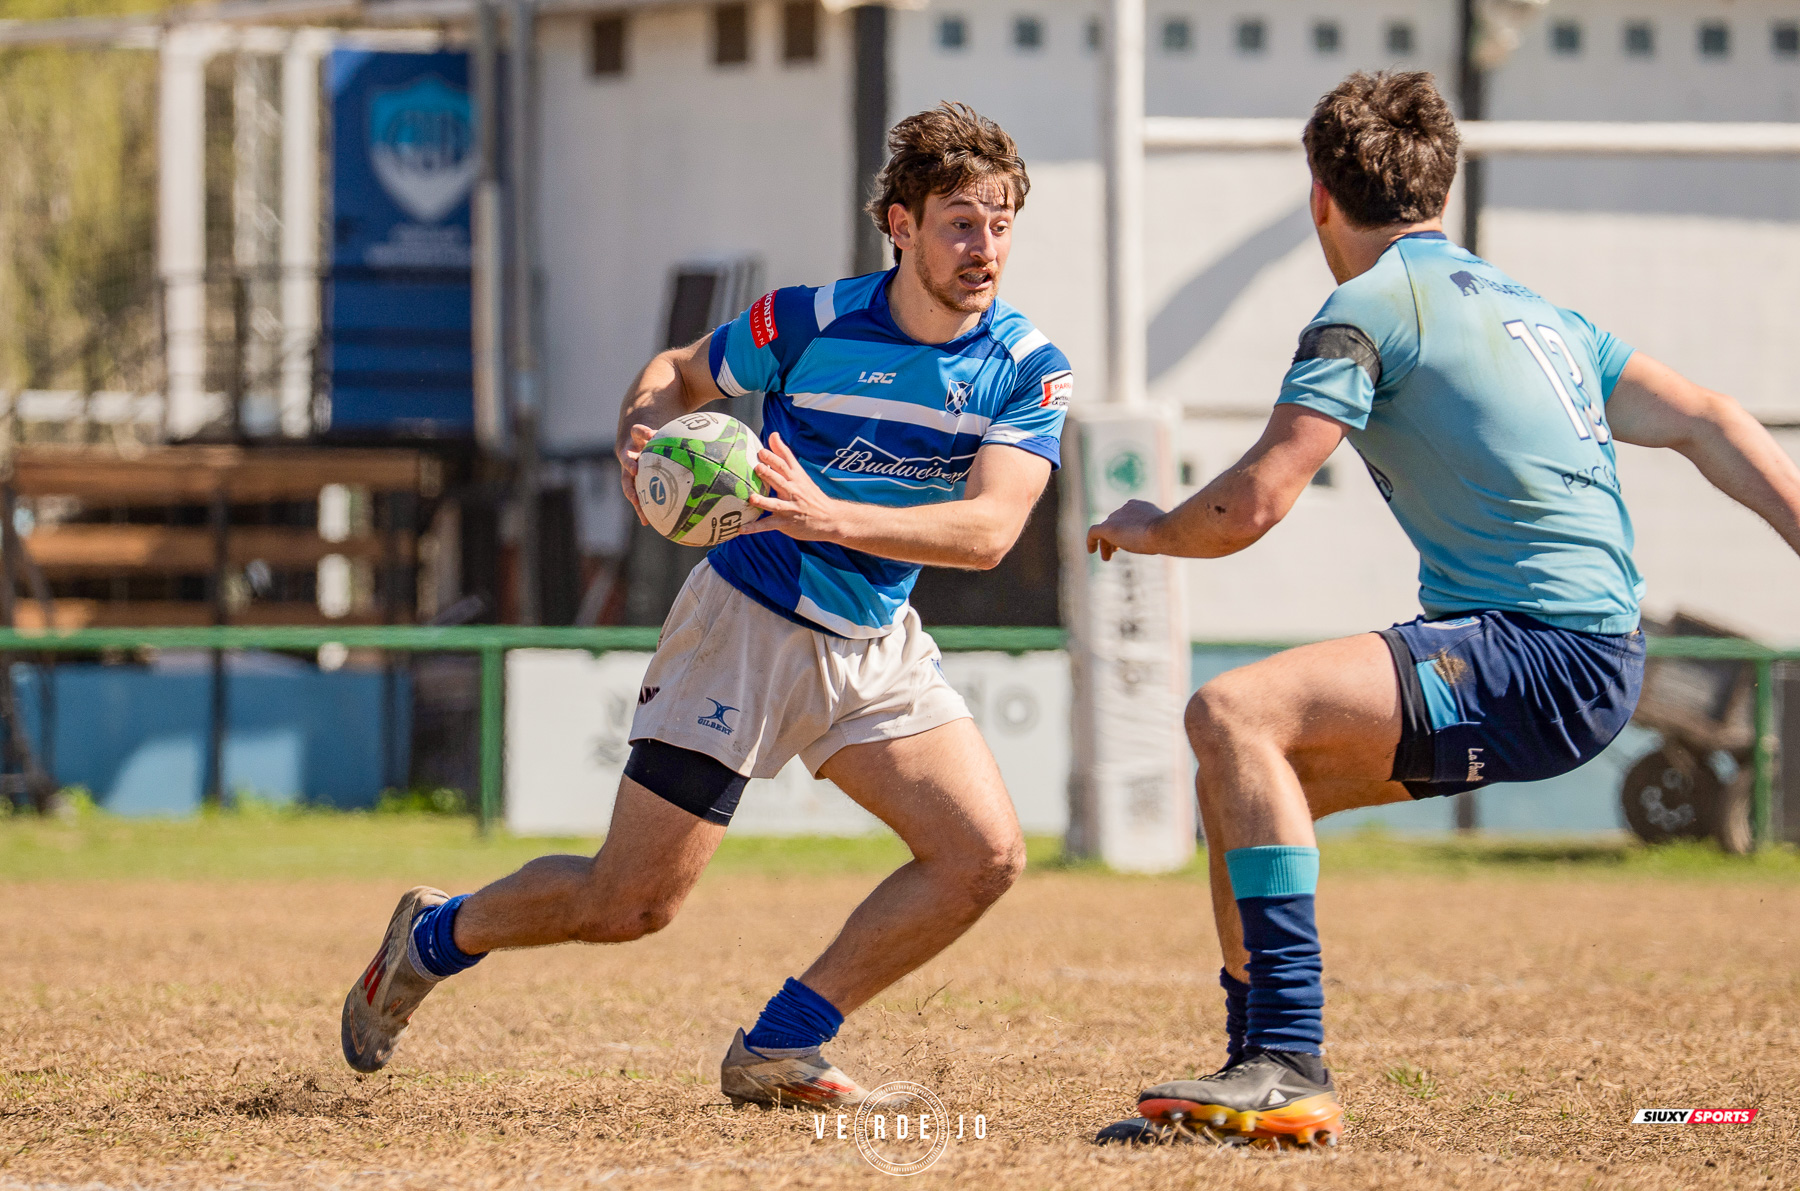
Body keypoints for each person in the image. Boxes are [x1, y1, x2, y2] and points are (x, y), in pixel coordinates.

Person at [1086, 71, 1800, 1147]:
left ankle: (1287, 1060)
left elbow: (1252, 504)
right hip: (1593, 657)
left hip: (1535, 650)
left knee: (1232, 713)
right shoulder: (1540, 315)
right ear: (1443, 193)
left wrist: (1152, 525)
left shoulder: (1368, 307)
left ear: (1320, 196)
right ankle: (1250, 1075)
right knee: (1246, 783)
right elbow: (1710, 417)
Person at [341, 102, 1073, 1110]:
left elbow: (990, 531)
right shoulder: (806, 323)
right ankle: (432, 937)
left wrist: (833, 516)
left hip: (874, 639)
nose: (983, 247)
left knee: (981, 856)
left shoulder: (1027, 367)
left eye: (1000, 223)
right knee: (629, 904)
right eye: (959, 222)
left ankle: (782, 1044)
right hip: (745, 624)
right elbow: (678, 374)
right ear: (901, 226)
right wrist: (640, 441)